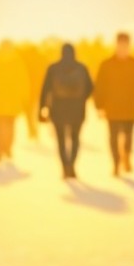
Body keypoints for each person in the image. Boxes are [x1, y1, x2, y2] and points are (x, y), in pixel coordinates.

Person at [94, 33, 134, 177]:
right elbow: (99, 86)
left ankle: (127, 156)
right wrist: (99, 106)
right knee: (113, 137)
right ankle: (116, 163)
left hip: (130, 107)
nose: (123, 48)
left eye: (126, 45)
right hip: (112, 108)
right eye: (120, 45)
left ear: (129, 46)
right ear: (116, 45)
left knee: (129, 136)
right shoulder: (106, 64)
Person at [40, 43, 95, 178]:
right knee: (75, 138)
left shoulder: (53, 68)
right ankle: (72, 165)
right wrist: (81, 99)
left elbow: (45, 90)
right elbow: (90, 88)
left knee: (61, 139)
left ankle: (65, 166)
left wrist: (42, 109)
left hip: (58, 109)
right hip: (77, 109)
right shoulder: (82, 68)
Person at [0, 41, 28, 165]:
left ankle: (1, 149)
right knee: (10, 127)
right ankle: (7, 148)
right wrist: (24, 98)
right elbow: (24, 82)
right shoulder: (17, 63)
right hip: (11, 102)